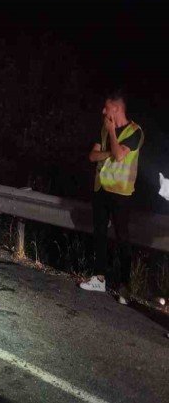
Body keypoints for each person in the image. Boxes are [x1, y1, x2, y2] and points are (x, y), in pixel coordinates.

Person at [81, 90, 143, 305]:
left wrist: (112, 136)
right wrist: (108, 148)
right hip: (101, 189)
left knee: (122, 239)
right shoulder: (104, 130)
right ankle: (99, 278)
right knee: (100, 234)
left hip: (121, 194)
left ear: (116, 109)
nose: (103, 111)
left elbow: (118, 155)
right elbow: (92, 155)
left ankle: (124, 288)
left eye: (106, 108)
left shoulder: (135, 132)